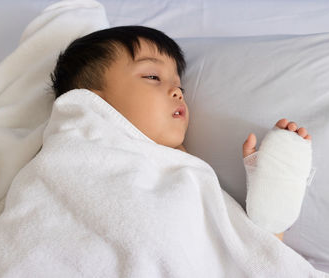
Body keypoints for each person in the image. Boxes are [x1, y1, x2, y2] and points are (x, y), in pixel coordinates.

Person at [50, 25, 311, 242]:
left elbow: (220, 247)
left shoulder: (184, 171)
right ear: (91, 101)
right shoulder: (70, 153)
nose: (177, 92)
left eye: (179, 86)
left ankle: (272, 214)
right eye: (153, 76)